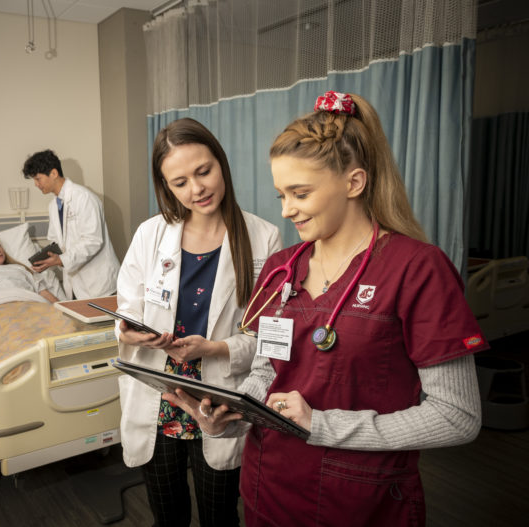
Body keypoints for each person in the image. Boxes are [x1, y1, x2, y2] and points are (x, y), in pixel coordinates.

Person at [164, 92, 488, 526]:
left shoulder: (417, 270)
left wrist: (322, 424)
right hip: (268, 489)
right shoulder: (282, 270)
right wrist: (233, 417)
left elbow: (457, 416)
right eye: (281, 194)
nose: (286, 210)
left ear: (354, 183)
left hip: (359, 501)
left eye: (300, 193)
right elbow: (267, 371)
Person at [115, 118, 282, 526]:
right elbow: (128, 306)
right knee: (167, 514)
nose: (197, 189)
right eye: (180, 182)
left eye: (203, 171)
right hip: (160, 393)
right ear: (166, 186)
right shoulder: (151, 235)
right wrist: (129, 329)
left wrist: (214, 348)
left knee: (218, 514)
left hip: (218, 395)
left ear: (221, 162)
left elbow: (268, 337)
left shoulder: (264, 238)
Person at [22, 149, 120, 299]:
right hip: (75, 284)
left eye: (38, 179)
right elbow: (55, 240)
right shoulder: (54, 205)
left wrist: (62, 259)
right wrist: (50, 258)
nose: (36, 184)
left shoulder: (84, 198)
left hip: (99, 283)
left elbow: (93, 241)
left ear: (53, 173)